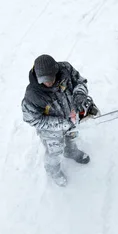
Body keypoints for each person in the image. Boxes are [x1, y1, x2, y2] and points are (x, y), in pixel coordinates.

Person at [21, 54, 99, 186]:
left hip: (71, 117)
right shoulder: (32, 95)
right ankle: (53, 171)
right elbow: (32, 119)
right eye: (44, 80)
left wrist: (80, 95)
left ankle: (71, 151)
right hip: (50, 130)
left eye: (50, 78)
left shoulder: (66, 69)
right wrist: (61, 124)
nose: (48, 83)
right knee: (54, 152)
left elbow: (80, 82)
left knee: (72, 137)